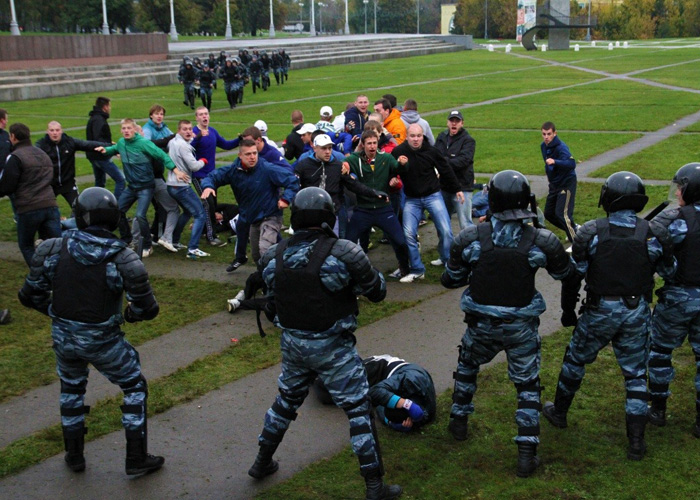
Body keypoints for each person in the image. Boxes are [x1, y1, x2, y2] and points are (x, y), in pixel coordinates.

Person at [248, 187, 402, 500]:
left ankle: (261, 462)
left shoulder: (274, 255)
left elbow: (270, 296)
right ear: (329, 216)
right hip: (333, 348)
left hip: (294, 345)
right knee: (358, 410)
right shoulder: (344, 252)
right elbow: (378, 291)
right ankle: (374, 487)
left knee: (285, 402)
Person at [18, 187, 163, 475]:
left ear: (80, 215)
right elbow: (148, 308)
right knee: (134, 387)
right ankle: (136, 458)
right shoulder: (124, 258)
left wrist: (58, 313)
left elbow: (29, 295)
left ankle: (74, 456)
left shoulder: (52, 249)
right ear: (113, 218)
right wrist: (129, 315)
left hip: (64, 338)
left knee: (71, 388)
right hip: (103, 340)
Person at [441, 170, 574, 478]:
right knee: (527, 386)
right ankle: (526, 454)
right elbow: (566, 273)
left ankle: (458, 422)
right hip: (521, 328)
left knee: (467, 367)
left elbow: (451, 279)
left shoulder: (471, 238)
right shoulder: (541, 241)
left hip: (480, 325)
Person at [543, 171, 674, 462]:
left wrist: (567, 311)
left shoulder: (592, 232)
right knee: (636, 375)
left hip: (599, 311)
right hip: (637, 311)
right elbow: (669, 271)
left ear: (608, 198)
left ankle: (560, 412)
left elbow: (574, 276)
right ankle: (636, 442)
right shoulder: (653, 234)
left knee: (575, 360)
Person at [646, 163, 700, 436]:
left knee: (659, 351)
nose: (677, 192)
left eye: (680, 188)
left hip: (679, 297)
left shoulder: (679, 220)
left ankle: (657, 408)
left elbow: (652, 252)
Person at [200, 139, 299, 265]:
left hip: (270, 215)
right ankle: (267, 271)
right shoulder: (234, 171)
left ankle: (278, 273)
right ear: (240, 155)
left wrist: (286, 199)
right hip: (252, 218)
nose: (252, 157)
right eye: (248, 154)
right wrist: (208, 186)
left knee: (265, 249)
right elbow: (212, 176)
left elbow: (292, 180)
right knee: (257, 255)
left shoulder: (267, 169)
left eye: (254, 153)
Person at [95, 119, 183, 258]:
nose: (126, 131)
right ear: (121, 130)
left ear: (134, 130)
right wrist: (105, 150)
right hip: (131, 187)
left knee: (140, 216)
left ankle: (147, 245)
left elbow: (161, 155)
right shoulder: (122, 143)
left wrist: (175, 170)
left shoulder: (143, 143)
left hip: (145, 187)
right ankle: (127, 240)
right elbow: (115, 148)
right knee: (118, 212)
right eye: (124, 128)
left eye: (129, 128)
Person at [392, 124, 463, 282]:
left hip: (433, 195)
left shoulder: (431, 151)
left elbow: (445, 169)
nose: (416, 139)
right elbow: (392, 170)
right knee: (408, 233)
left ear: (422, 136)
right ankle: (417, 269)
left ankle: (446, 259)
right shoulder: (398, 152)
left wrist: (457, 189)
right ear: (407, 137)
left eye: (419, 136)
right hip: (412, 199)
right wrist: (395, 174)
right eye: (412, 136)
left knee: (445, 230)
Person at [344, 131, 411, 279]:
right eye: (369, 143)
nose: (372, 146)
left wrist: (402, 163)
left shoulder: (386, 158)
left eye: (374, 143)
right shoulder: (355, 159)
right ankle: (351, 272)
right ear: (363, 144)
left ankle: (404, 268)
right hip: (363, 210)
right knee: (349, 241)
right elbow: (344, 164)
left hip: (383, 209)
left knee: (400, 241)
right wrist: (345, 166)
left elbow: (398, 168)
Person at [296, 133, 388, 236]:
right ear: (315, 148)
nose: (327, 152)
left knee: (335, 239)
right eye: (324, 148)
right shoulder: (304, 165)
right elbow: (295, 185)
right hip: (311, 212)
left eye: (330, 148)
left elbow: (353, 185)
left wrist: (374, 193)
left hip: (333, 211)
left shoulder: (338, 166)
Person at [227, 126, 292, 272]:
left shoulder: (271, 153)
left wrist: (281, 193)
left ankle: (280, 258)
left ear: (259, 140)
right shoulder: (248, 153)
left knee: (267, 229)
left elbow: (288, 171)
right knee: (243, 225)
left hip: (268, 197)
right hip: (252, 198)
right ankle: (242, 257)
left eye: (250, 142)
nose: (247, 146)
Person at [0, 123, 61, 266]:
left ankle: (39, 274)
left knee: (27, 246)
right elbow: (51, 177)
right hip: (50, 205)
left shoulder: (15, 157)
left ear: (13, 137)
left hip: (29, 208)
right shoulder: (42, 154)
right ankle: (58, 273)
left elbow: (7, 186)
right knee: (55, 245)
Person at [191, 106, 240, 247]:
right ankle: (211, 236)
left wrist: (239, 140)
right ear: (196, 118)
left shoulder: (212, 132)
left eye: (206, 114)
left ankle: (205, 229)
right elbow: (188, 148)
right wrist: (198, 137)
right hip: (199, 175)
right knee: (208, 204)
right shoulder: (194, 133)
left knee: (212, 206)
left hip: (212, 177)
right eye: (201, 114)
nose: (204, 117)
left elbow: (226, 145)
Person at [35, 120, 109, 211]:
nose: (55, 133)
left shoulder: (69, 142)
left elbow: (87, 144)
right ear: (47, 131)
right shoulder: (41, 145)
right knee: (43, 209)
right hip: (50, 185)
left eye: (57, 130)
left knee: (78, 208)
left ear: (61, 131)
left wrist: (110, 146)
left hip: (68, 184)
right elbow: (30, 154)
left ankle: (75, 219)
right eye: (52, 130)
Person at [166, 119, 211, 260]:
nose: (188, 132)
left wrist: (197, 137)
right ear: (179, 130)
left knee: (187, 212)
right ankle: (193, 248)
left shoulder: (173, 142)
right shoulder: (183, 146)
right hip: (181, 186)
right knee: (200, 214)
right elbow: (194, 166)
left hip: (171, 184)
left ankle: (174, 240)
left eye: (190, 129)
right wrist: (203, 161)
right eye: (184, 129)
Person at [365, 355, 436, 433]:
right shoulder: (409, 380)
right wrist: (406, 404)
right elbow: (374, 391)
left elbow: (380, 407)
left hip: (386, 385)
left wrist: (392, 424)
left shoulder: (422, 416)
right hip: (384, 368)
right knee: (356, 373)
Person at [435, 110, 476, 230]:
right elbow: (434, 154)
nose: (454, 123)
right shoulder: (441, 137)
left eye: (457, 121)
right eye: (451, 120)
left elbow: (463, 161)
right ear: (447, 123)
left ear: (462, 123)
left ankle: (469, 242)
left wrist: (443, 163)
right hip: (444, 186)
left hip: (462, 187)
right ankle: (446, 242)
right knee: (442, 222)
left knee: (465, 223)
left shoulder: (468, 140)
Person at [541, 121, 577, 243]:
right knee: (549, 213)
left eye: (549, 134)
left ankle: (577, 243)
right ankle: (574, 229)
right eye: (544, 134)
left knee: (562, 214)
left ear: (554, 134)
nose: (546, 137)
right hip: (554, 185)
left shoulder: (561, 147)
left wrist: (555, 162)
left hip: (566, 183)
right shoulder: (543, 146)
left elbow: (571, 163)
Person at [86, 97, 126, 201]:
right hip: (100, 156)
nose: (110, 108)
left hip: (93, 155)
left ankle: (96, 205)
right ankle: (116, 205)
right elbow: (98, 139)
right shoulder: (99, 120)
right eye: (109, 106)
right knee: (121, 180)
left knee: (99, 183)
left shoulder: (95, 118)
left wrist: (110, 143)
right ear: (105, 107)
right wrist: (112, 148)